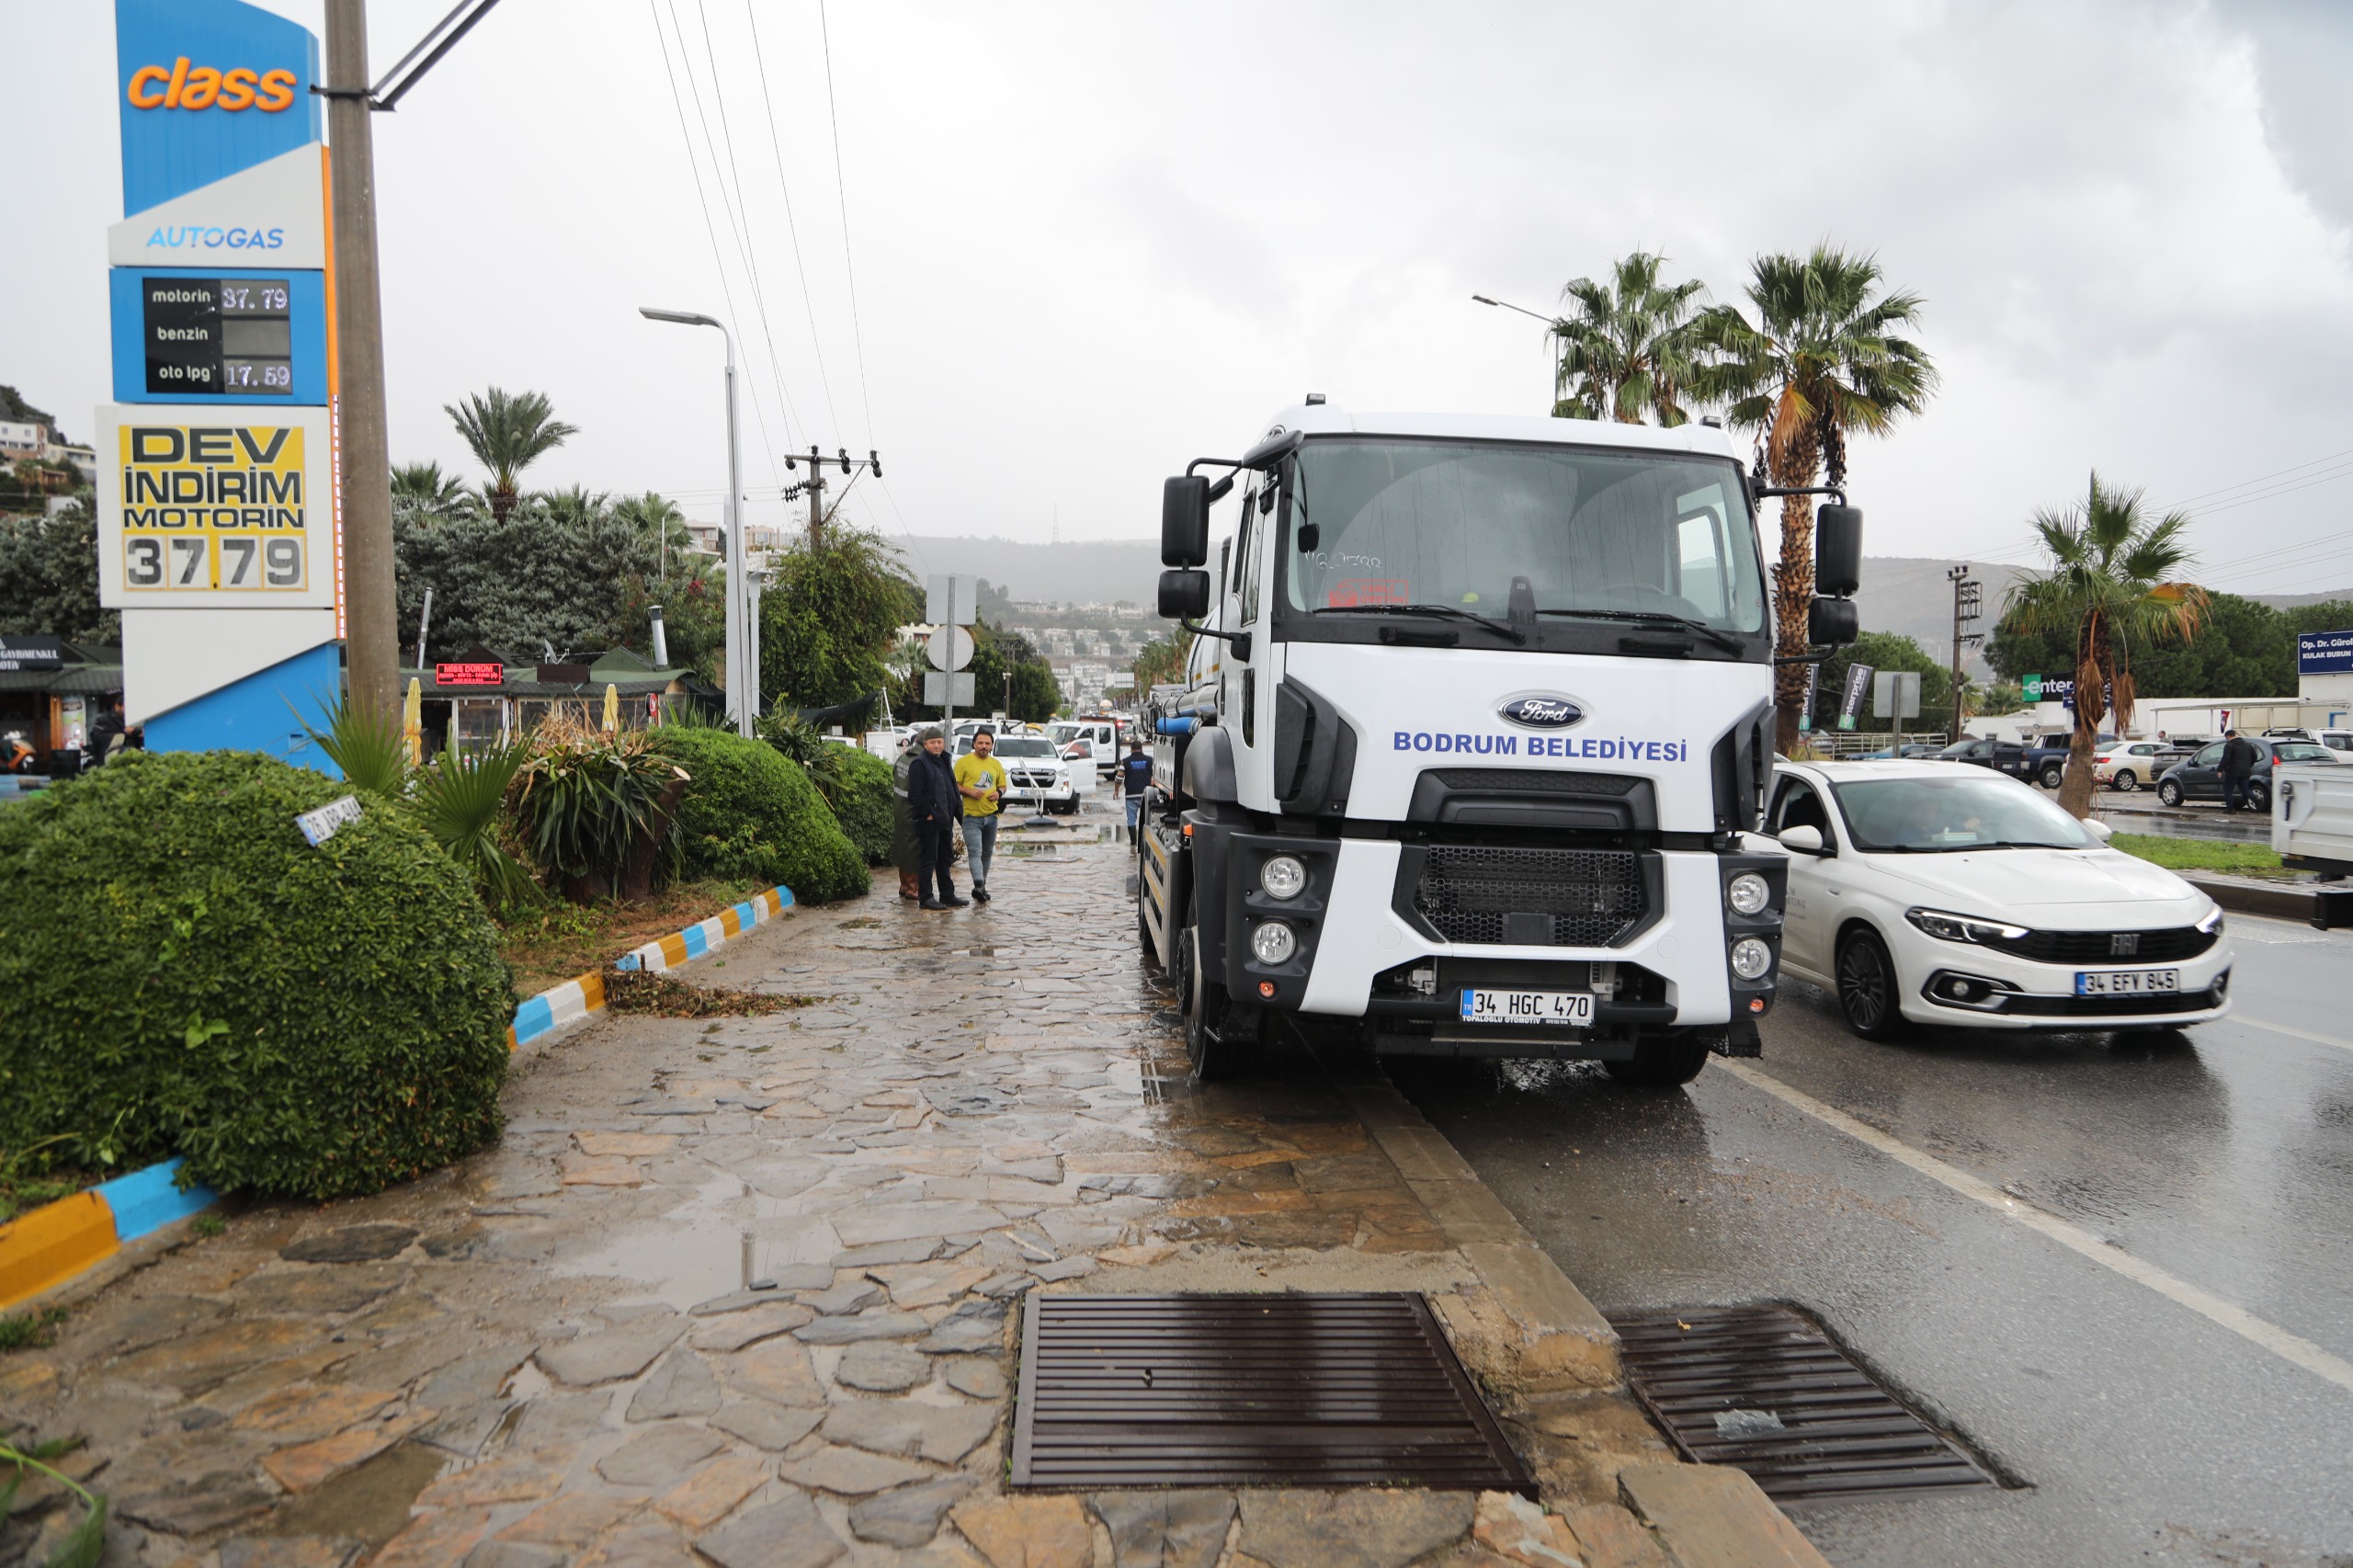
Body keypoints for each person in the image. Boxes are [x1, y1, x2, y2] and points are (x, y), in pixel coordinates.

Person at [906, 727, 967, 909]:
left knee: (945, 859)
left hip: (945, 819)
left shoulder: (944, 760)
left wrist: (958, 813)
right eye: (933, 742)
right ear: (925, 744)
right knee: (928, 859)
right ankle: (926, 897)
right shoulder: (919, 764)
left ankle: (947, 895)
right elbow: (915, 795)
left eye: (939, 742)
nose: (937, 745)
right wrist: (928, 813)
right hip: (930, 821)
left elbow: (952, 789)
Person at [954, 727, 1008, 903]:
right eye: (980, 743)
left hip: (992, 816)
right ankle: (978, 885)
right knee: (975, 852)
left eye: (987, 743)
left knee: (987, 853)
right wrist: (969, 791)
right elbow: (955, 784)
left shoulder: (996, 764)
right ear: (974, 744)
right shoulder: (964, 762)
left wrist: (998, 793)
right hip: (971, 817)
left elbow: (1003, 786)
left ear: (992, 746)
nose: (984, 746)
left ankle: (981, 886)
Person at [890, 732, 923, 901]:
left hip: (900, 808)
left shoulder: (903, 758)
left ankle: (904, 886)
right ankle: (912, 888)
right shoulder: (919, 761)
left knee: (903, 847)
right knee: (913, 850)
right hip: (912, 811)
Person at [1120, 738, 1152, 846]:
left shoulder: (1125, 761)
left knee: (1131, 819)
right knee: (1148, 819)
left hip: (1131, 794)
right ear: (1141, 749)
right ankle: (1146, 841)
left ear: (1131, 749)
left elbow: (1119, 777)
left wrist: (1115, 791)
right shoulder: (1150, 760)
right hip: (1146, 795)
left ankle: (1133, 843)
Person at [2219, 727, 2261, 812]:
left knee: (2228, 790)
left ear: (2228, 736)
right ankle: (2256, 800)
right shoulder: (2248, 745)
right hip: (2245, 771)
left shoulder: (2229, 745)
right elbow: (2255, 757)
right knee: (2245, 789)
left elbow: (2226, 758)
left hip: (2232, 772)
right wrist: (2248, 765)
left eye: (2226, 738)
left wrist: (2219, 769)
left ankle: (2230, 809)